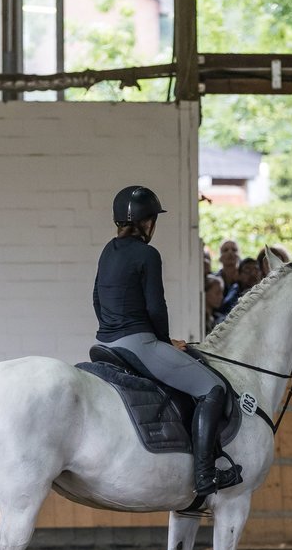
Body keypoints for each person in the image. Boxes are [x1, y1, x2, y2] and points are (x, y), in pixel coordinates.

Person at [93, 186, 239, 497]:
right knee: (212, 388)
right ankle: (205, 475)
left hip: (107, 343)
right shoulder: (148, 254)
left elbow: (96, 299)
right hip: (139, 344)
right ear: (147, 222)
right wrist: (164, 342)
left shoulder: (108, 250)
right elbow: (156, 307)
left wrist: (112, 327)